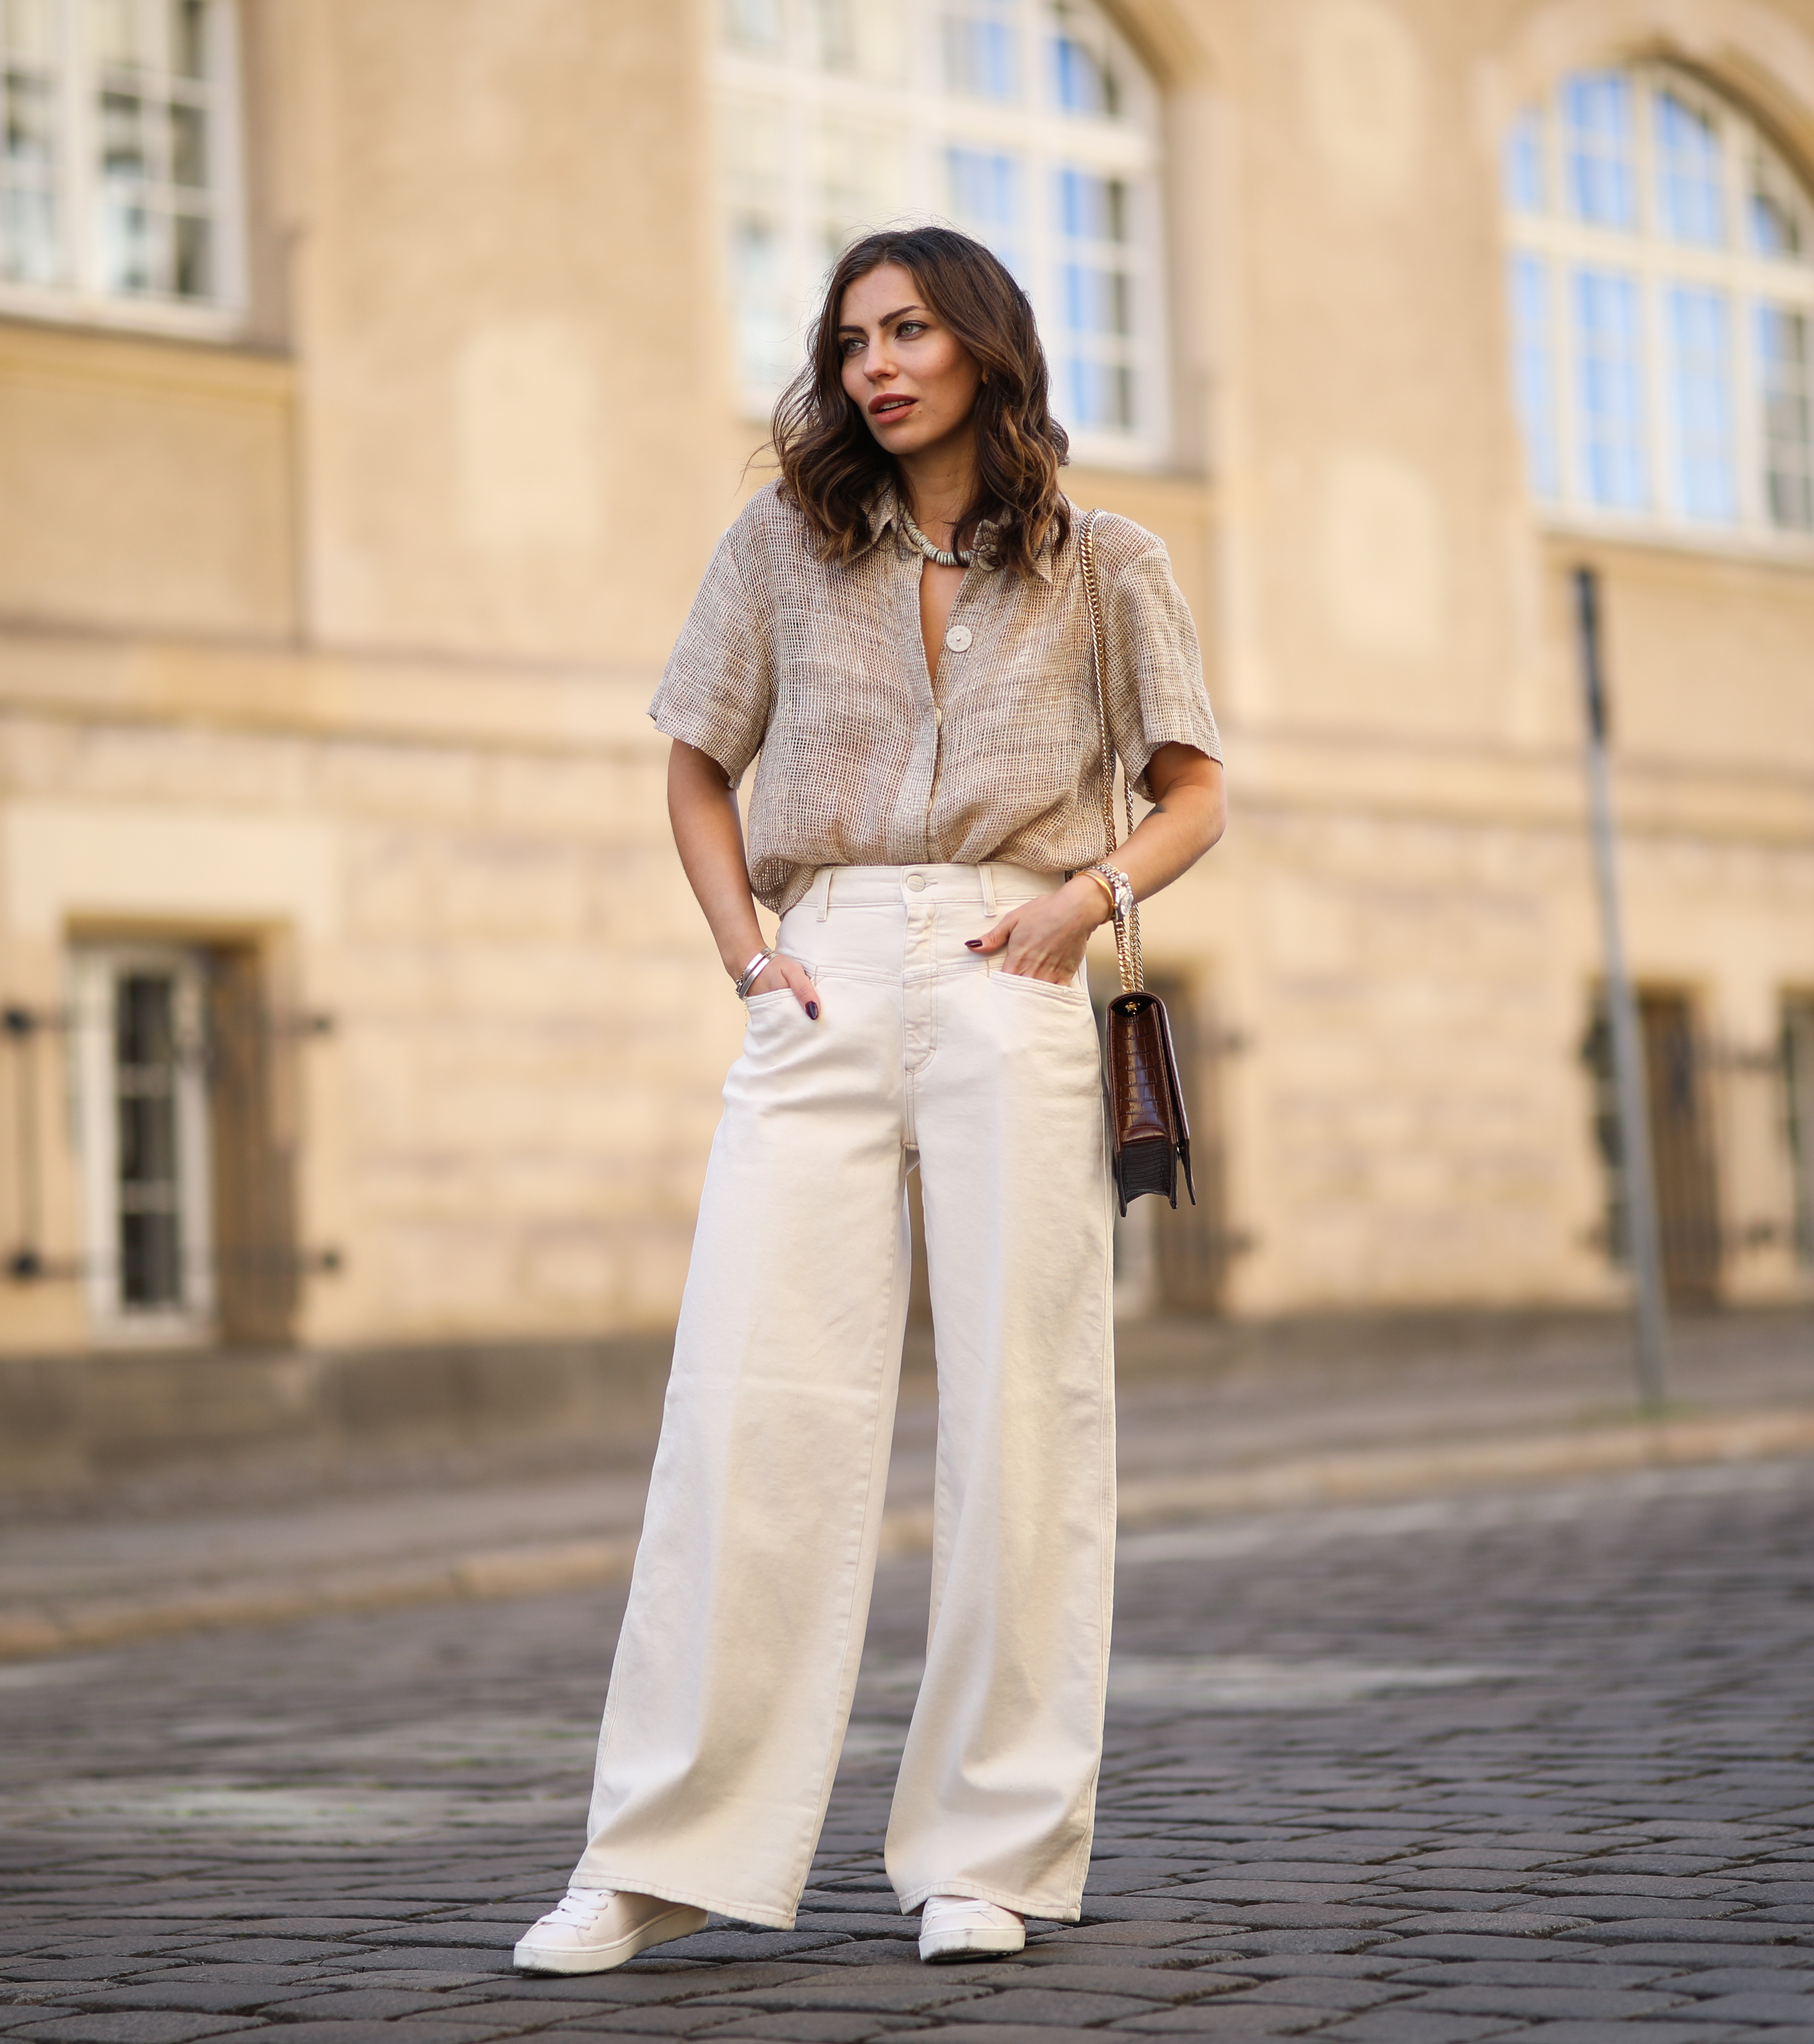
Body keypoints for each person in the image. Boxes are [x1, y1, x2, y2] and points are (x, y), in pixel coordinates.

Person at [513, 225, 1225, 1975]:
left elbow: (1197, 794)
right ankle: (660, 1851)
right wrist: (747, 956)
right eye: (851, 343)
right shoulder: (780, 542)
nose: (876, 367)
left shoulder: (1105, 564)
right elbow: (695, 759)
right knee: (747, 1397)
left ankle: (990, 1853)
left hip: (1014, 968)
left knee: (1022, 1411)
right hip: (820, 964)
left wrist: (1082, 903)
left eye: (909, 332)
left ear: (986, 345)